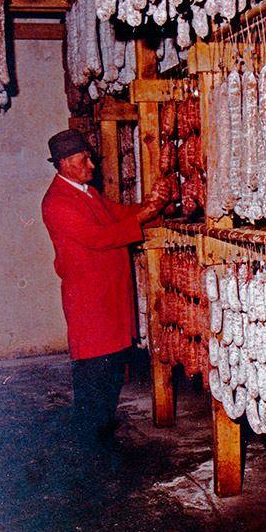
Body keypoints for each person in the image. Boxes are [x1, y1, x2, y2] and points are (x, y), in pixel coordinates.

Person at [41, 128, 168, 452]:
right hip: (89, 301)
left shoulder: (85, 193)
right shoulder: (57, 202)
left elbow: (116, 214)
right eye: (85, 159)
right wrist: (143, 215)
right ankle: (88, 447)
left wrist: (150, 206)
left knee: (110, 372)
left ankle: (98, 439)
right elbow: (99, 237)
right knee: (94, 373)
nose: (92, 165)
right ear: (67, 163)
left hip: (106, 299)